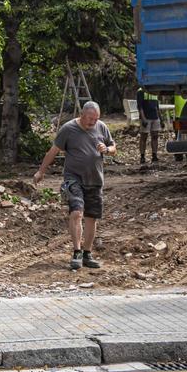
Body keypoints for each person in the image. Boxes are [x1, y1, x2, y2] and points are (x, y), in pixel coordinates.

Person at [34, 101, 116, 270]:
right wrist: (41, 172)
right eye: (90, 119)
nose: (93, 122)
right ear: (82, 114)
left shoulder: (101, 127)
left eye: (96, 119)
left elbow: (113, 147)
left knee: (92, 217)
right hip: (73, 178)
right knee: (77, 212)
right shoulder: (68, 129)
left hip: (95, 179)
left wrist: (107, 150)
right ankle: (77, 252)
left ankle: (87, 253)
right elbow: (53, 151)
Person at [135, 87, 161, 165]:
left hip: (155, 117)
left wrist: (161, 119)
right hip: (146, 117)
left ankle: (154, 155)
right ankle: (142, 156)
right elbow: (140, 106)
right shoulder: (141, 91)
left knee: (155, 136)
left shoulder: (154, 90)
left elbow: (157, 106)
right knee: (144, 136)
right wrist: (143, 118)